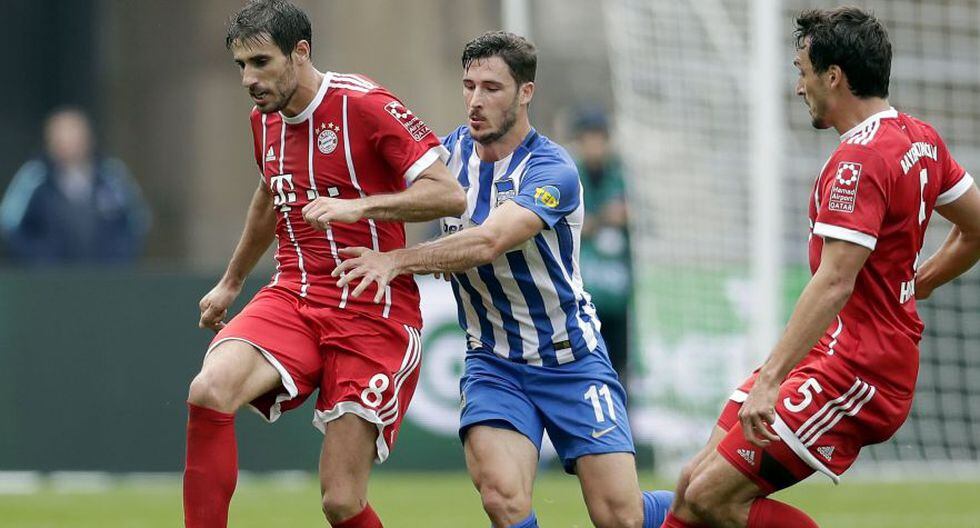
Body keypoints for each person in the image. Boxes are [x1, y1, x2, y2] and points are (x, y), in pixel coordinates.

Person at [332, 31, 672, 528]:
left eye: (491, 88)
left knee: (620, 517)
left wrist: (396, 261)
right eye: (468, 86)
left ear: (525, 93)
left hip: (570, 358)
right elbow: (376, 180)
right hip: (494, 363)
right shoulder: (446, 159)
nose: (475, 100)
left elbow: (489, 241)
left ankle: (699, 507)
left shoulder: (553, 169)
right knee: (502, 497)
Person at [662, 7, 980, 528]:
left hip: (859, 372)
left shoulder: (859, 163)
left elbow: (834, 281)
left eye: (801, 70)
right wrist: (916, 284)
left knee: (711, 499)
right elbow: (976, 228)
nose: (798, 86)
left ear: (833, 77)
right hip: (831, 352)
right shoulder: (920, 138)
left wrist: (770, 381)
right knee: (688, 491)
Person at [183, 1, 465, 527]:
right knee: (208, 390)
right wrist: (231, 281)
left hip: (372, 311)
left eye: (261, 63)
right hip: (294, 293)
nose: (249, 79)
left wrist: (362, 205)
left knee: (341, 501)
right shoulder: (262, 120)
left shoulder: (365, 105)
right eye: (241, 66)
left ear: (301, 52)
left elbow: (449, 196)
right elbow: (271, 195)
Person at [0, 107, 149, 265]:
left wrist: (118, 262)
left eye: (73, 134)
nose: (68, 143)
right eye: (60, 136)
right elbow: (10, 223)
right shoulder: (34, 175)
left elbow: (136, 220)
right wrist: (39, 262)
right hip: (50, 283)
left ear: (88, 137)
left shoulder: (111, 175)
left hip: (106, 280)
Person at [572, 109, 633, 384]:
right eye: (589, 138)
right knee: (584, 366)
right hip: (583, 294)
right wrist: (602, 219)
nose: (594, 145)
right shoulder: (570, 175)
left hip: (618, 293)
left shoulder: (623, 177)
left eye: (599, 138)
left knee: (619, 366)